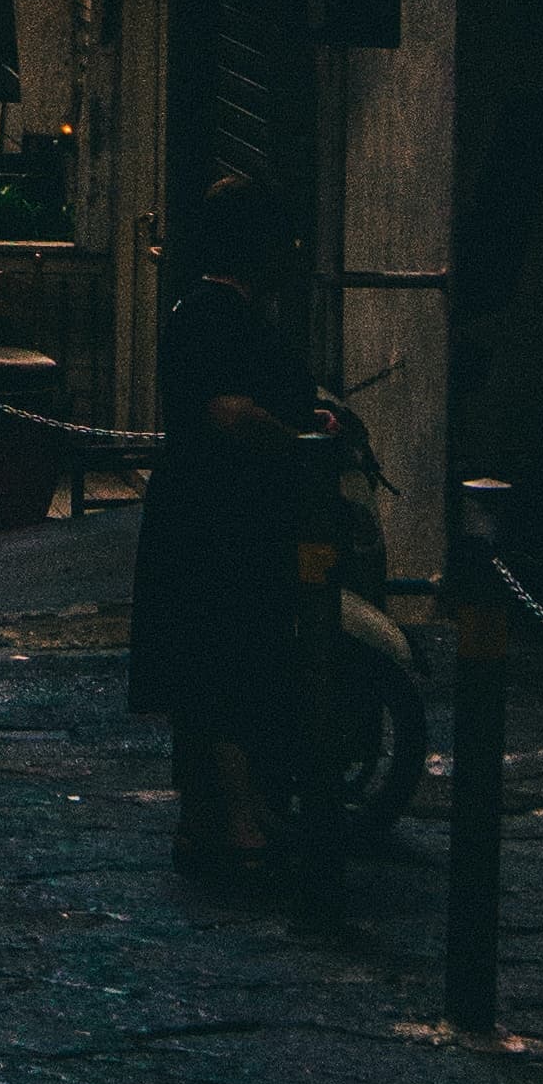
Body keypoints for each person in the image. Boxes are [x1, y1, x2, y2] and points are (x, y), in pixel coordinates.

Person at [129, 175, 322, 873]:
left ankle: (202, 816)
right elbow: (230, 411)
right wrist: (297, 439)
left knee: (202, 663)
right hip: (222, 516)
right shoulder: (220, 316)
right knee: (229, 658)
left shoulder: (202, 309)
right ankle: (238, 821)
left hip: (198, 508)